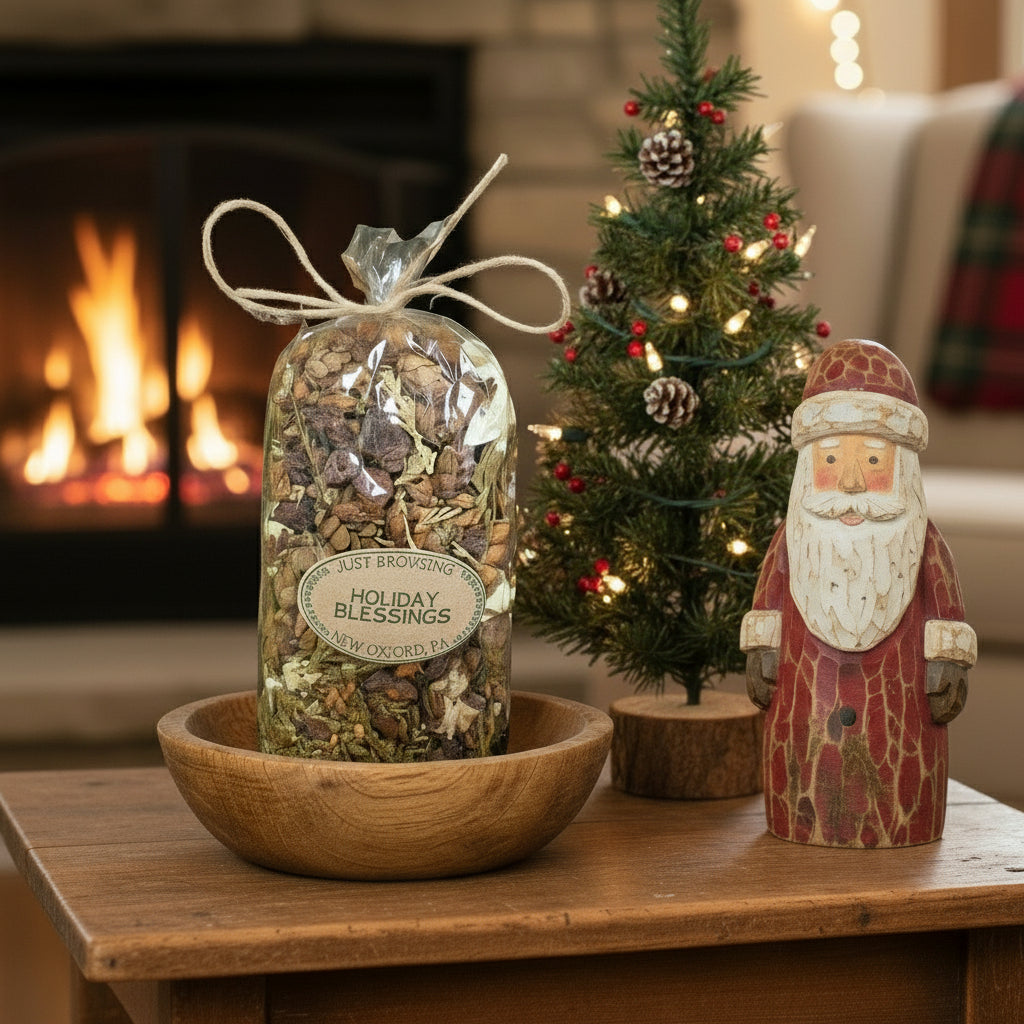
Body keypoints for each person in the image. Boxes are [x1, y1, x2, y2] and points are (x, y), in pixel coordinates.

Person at [740, 339, 976, 848]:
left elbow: (947, 609)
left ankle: (899, 823)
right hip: (803, 714)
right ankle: (798, 817)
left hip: (901, 728)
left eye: (872, 460)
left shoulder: (924, 543)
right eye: (831, 459)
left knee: (897, 790)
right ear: (809, 466)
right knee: (801, 775)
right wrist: (762, 647)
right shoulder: (791, 539)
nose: (849, 481)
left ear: (902, 470)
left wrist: (949, 661)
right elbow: (768, 601)